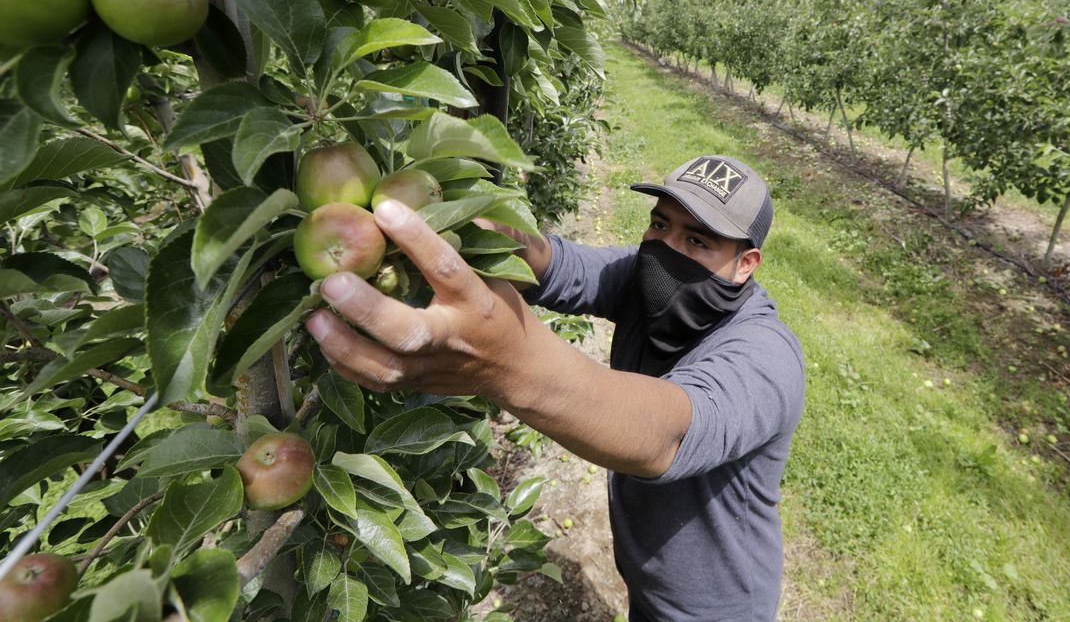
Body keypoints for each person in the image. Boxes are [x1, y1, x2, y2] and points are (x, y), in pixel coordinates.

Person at [305, 154, 807, 622]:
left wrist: (505, 365)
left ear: (746, 263)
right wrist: (465, 223)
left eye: (698, 241)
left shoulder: (766, 357)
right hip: (646, 580)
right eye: (660, 224)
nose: (666, 249)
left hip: (716, 609)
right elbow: (556, 264)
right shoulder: (644, 281)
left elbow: (664, 436)